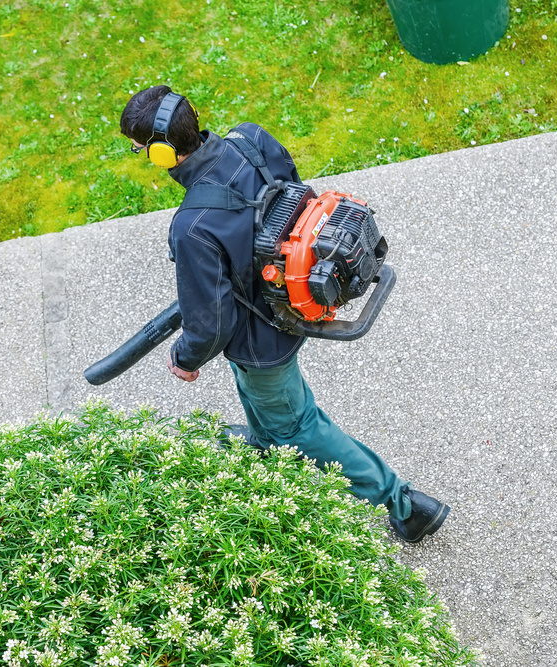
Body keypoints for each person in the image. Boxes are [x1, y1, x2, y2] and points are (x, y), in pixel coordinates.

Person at [119, 85, 449, 543]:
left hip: (263, 336)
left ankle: (407, 504)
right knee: (275, 412)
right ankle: (264, 438)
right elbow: (298, 196)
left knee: (299, 425)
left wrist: (185, 358)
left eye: (139, 149)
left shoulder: (192, 226)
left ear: (160, 154)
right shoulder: (251, 140)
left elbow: (211, 324)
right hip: (286, 300)